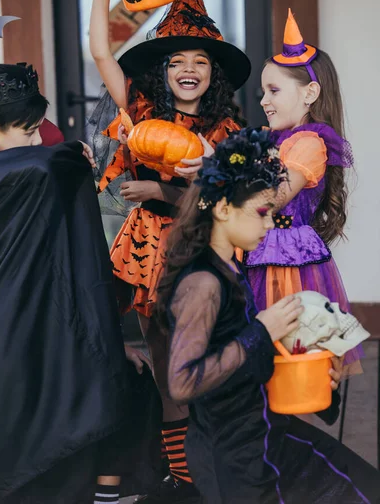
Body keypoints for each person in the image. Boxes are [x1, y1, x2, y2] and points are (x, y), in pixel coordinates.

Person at [89, 0, 250, 501]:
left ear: (213, 73)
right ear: (162, 71)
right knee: (169, 376)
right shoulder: (139, 108)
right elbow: (101, 54)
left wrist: (161, 189)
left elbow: (231, 203)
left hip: (205, 254)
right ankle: (185, 481)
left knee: (215, 369)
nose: (188, 69)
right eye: (177, 60)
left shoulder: (229, 130)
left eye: (200, 61)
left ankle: (221, 466)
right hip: (149, 253)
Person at [155, 127, 380, 504]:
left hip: (265, 435)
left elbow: (247, 362)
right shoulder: (202, 284)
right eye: (260, 213)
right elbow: (182, 384)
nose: (269, 224)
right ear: (224, 209)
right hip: (234, 459)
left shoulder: (232, 270)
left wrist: (321, 380)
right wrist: (261, 330)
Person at [0, 63, 161, 504]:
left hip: (46, 325)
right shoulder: (30, 173)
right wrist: (63, 156)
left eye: (38, 130)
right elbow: (47, 163)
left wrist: (104, 337)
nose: (38, 142)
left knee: (119, 380)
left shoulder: (41, 172)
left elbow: (70, 264)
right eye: (27, 133)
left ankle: (104, 493)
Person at [245, 9, 361, 371]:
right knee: (261, 341)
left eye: (274, 90)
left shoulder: (309, 144)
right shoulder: (272, 140)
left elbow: (276, 197)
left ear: (310, 92)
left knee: (292, 342)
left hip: (288, 260)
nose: (263, 100)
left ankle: (285, 414)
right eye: (262, 91)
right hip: (258, 249)